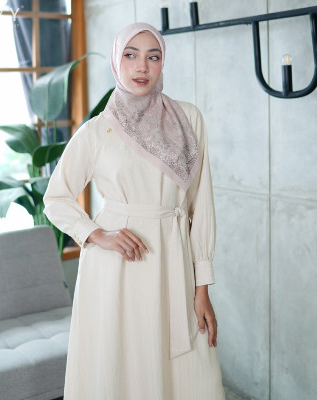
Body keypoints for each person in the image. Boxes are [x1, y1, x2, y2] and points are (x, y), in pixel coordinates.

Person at [43, 22, 225, 400]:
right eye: (131, 55)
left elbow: (201, 206)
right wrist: (99, 234)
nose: (142, 66)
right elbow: (56, 198)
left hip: (174, 262)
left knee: (187, 372)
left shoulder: (188, 119)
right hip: (116, 269)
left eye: (152, 57)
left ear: (162, 63)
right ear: (116, 61)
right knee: (121, 366)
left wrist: (202, 287)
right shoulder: (96, 131)